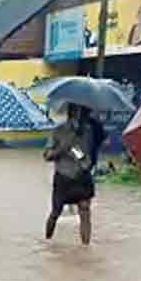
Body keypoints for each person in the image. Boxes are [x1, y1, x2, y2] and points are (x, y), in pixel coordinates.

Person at [44, 104, 95, 245]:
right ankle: (47, 241)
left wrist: (83, 158)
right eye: (79, 113)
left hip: (82, 175)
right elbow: (47, 156)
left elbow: (90, 154)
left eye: (85, 113)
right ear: (71, 114)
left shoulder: (89, 131)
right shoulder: (59, 130)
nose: (82, 117)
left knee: (85, 212)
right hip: (63, 176)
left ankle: (86, 248)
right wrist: (62, 149)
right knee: (56, 212)